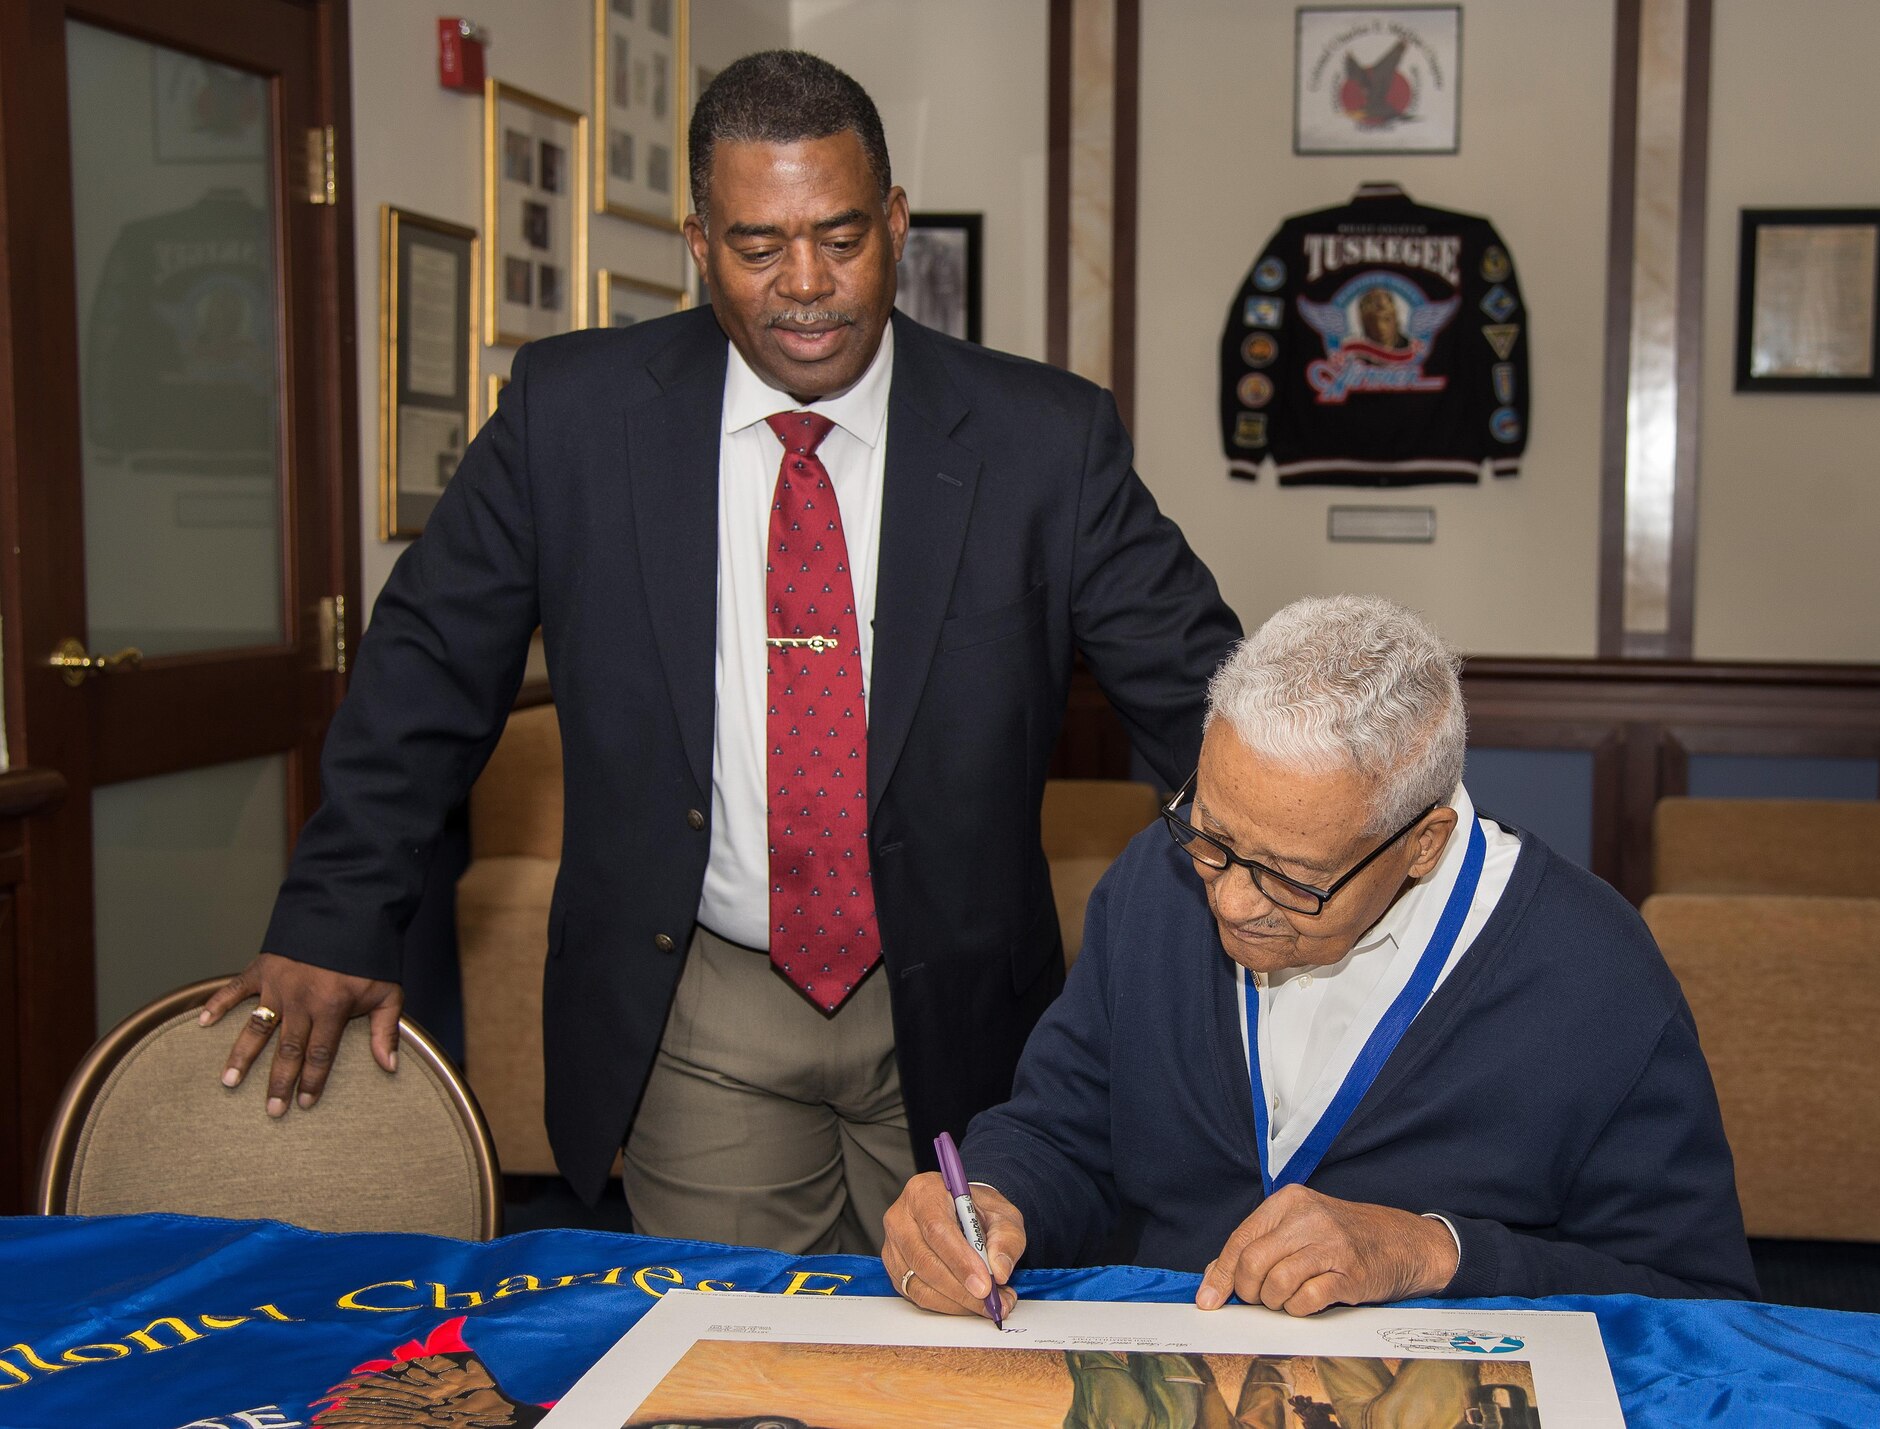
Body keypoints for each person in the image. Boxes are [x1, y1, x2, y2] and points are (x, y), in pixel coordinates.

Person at [202, 50, 1239, 1254]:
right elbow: (429, 661)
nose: (807, 287)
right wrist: (335, 909)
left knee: (965, 1361)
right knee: (732, 1354)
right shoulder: (570, 414)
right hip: (700, 999)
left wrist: (1315, 887)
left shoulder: (1043, 438)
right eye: (758, 248)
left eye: (841, 237)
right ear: (699, 242)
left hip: (960, 1004)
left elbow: (1194, 687)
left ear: (895, 222)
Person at [881, 595, 1756, 1313]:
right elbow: (1060, 1132)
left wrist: (1436, 1252)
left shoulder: (1592, 973)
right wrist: (991, 1198)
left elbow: (1697, 1300)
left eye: (1295, 880)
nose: (1227, 898)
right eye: (1211, 834)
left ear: (1425, 843)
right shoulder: (1153, 884)